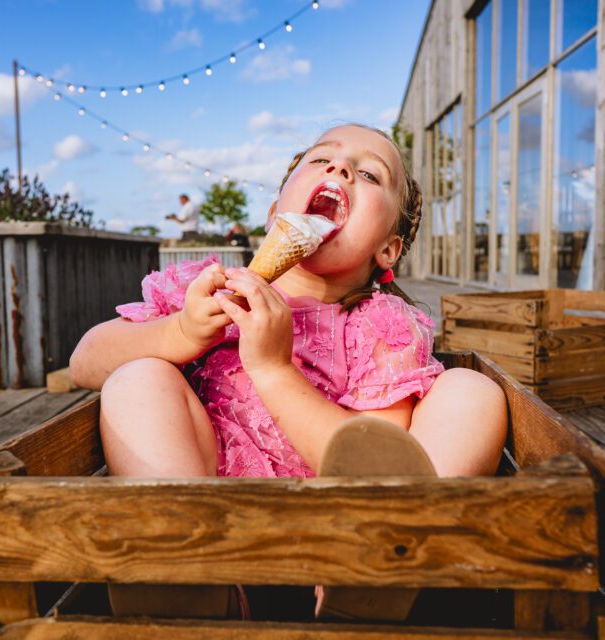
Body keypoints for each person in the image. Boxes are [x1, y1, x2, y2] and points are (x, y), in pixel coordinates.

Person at [70, 124, 508, 621]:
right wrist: (180, 334)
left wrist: (275, 370)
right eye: (321, 160)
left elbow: (378, 460)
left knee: (471, 391)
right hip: (215, 530)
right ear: (276, 212)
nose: (340, 169)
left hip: (340, 543)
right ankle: (178, 567)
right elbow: (85, 362)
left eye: (368, 174)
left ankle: (378, 567)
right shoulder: (211, 292)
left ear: (388, 249)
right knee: (138, 377)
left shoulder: (381, 326)